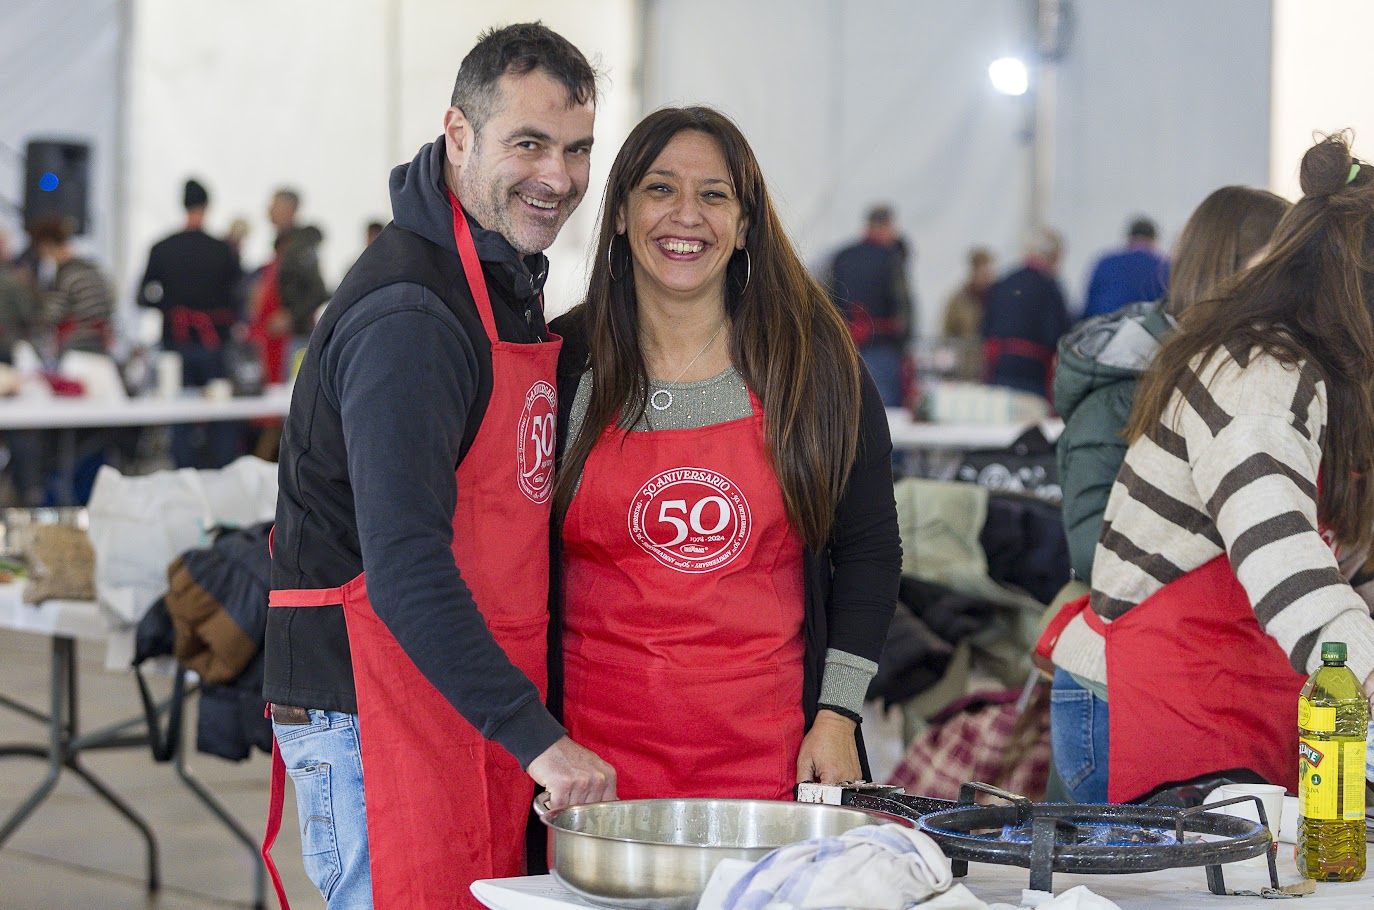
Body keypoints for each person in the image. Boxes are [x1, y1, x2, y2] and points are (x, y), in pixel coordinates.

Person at [260, 23, 615, 910]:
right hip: (373, 708)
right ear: (458, 135)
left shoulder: (502, 280)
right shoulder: (413, 315)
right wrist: (534, 735)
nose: (559, 177)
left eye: (577, 150)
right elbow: (406, 566)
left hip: (454, 691)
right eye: (528, 144)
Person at [550, 106, 901, 801]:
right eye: (659, 189)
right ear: (620, 212)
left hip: (771, 767)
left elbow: (869, 551)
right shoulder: (562, 364)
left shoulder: (814, 364)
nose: (687, 216)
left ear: (745, 225)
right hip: (593, 774)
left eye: (714, 195)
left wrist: (837, 714)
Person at [1037, 134, 1374, 804]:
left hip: (1216, 692)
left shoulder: (1308, 373)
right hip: (1152, 702)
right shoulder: (1260, 371)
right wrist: (1359, 662)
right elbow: (1275, 541)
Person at [1040, 186, 1290, 802]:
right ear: (1245, 268)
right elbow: (1095, 550)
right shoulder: (1122, 392)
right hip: (1128, 686)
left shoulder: (1256, 379)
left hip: (1206, 681)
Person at [138, 178, 243, 467]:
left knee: (179, 417)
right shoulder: (223, 250)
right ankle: (222, 473)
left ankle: (184, 474)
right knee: (221, 414)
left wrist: (171, 308)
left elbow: (142, 296)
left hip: (176, 341)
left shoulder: (162, 248)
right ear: (206, 206)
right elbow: (239, 299)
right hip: (214, 343)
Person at [828, 205, 912, 406]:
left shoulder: (842, 256)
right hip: (882, 347)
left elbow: (828, 299)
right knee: (884, 413)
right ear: (885, 225)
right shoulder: (891, 257)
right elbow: (903, 305)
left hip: (845, 345)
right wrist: (905, 343)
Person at [981, 227, 1069, 399]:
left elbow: (986, 327)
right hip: (1032, 372)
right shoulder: (1049, 287)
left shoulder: (1004, 281)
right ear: (1053, 256)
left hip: (999, 365)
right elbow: (1056, 334)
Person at [268, 187, 329, 358]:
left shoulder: (300, 246)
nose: (270, 211)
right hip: (280, 338)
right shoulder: (284, 244)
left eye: (275, 205)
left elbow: (318, 290)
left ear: (290, 209)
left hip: (297, 336)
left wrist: (291, 317)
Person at [1081, 216, 1169, 320]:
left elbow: (1090, 305)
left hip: (1103, 327)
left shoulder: (1105, 262)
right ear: (1153, 239)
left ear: (1129, 238)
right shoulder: (1164, 266)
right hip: (1143, 329)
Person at [940, 246, 994, 378]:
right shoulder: (958, 301)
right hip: (964, 373)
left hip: (991, 372)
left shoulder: (998, 299)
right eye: (980, 269)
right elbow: (946, 336)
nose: (984, 274)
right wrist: (946, 371)